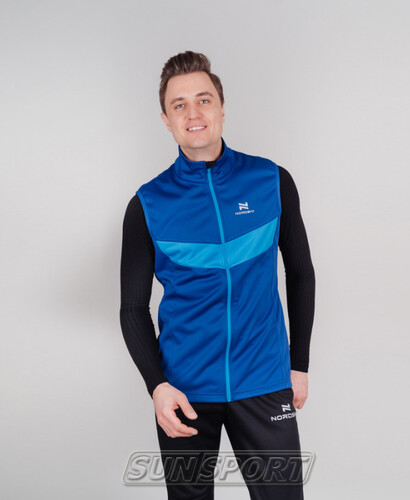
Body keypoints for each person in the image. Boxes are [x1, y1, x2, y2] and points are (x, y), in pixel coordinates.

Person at [120, 50, 316, 500]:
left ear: (222, 108)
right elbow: (132, 309)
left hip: (263, 379)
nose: (193, 113)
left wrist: (299, 364)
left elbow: (301, 273)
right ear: (166, 120)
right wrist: (157, 387)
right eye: (179, 104)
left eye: (203, 100)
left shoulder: (271, 181)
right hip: (184, 391)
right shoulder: (147, 204)